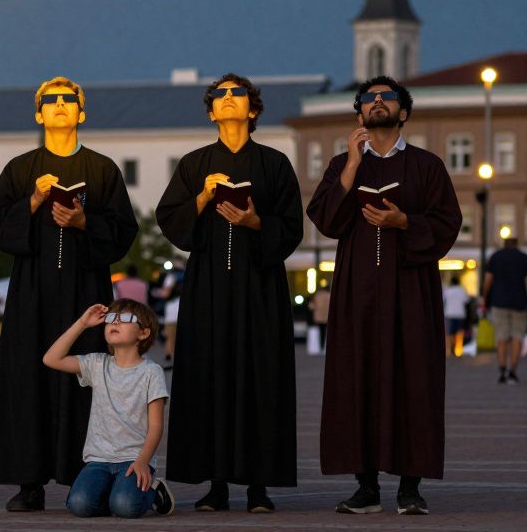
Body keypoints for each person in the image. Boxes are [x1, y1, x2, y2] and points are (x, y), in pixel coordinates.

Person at [0, 76, 138, 512]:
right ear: (38, 113)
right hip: (31, 291)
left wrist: (85, 224)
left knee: (86, 377)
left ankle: (82, 473)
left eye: (69, 101)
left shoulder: (103, 168)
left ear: (81, 112)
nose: (59, 106)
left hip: (83, 290)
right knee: (27, 378)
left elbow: (125, 230)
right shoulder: (20, 168)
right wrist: (32, 202)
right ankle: (29, 481)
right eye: (50, 101)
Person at [307, 75, 461, 515]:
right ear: (358, 113)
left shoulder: (427, 165)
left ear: (403, 112)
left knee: (413, 379)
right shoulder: (342, 164)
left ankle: (410, 488)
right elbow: (325, 220)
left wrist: (404, 223)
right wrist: (353, 167)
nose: (377, 103)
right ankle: (366, 486)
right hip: (357, 292)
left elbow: (448, 224)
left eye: (386, 98)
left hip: (411, 291)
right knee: (358, 378)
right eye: (368, 99)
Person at [154, 74, 301, 513]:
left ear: (253, 110)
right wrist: (201, 198)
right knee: (209, 378)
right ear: (211, 111)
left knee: (261, 379)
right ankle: (216, 484)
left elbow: (293, 227)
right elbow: (171, 221)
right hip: (208, 290)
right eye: (221, 95)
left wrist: (257, 224)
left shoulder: (274, 164)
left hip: (261, 292)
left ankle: (259, 486)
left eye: (239, 94)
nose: (230, 99)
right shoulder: (194, 163)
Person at [43, 299, 173, 519]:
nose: (115, 322)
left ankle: (153, 490)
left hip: (134, 459)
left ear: (143, 333)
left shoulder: (151, 372)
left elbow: (156, 425)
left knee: (125, 507)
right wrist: (82, 323)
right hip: (99, 459)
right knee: (79, 505)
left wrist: (143, 460)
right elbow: (51, 358)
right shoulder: (96, 364)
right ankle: (114, 491)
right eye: (111, 318)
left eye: (125, 319)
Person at [482, 235, 527, 383]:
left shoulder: (496, 257)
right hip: (520, 303)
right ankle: (512, 371)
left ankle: (502, 370)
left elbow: (488, 280)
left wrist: (484, 298)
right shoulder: (523, 258)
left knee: (501, 336)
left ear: (504, 244)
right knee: (517, 337)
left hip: (499, 302)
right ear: (516, 244)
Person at [442, 277, 469, 358]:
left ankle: (448, 350)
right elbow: (467, 301)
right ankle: (458, 351)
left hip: (449, 314)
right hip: (460, 314)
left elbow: (443, 301)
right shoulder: (462, 290)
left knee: (448, 333)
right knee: (459, 333)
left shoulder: (447, 290)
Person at [308, 285, 331, 354]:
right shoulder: (329, 295)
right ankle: (324, 347)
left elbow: (311, 306)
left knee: (320, 332)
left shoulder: (317, 296)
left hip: (318, 317)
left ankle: (320, 347)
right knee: (325, 332)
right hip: (327, 317)